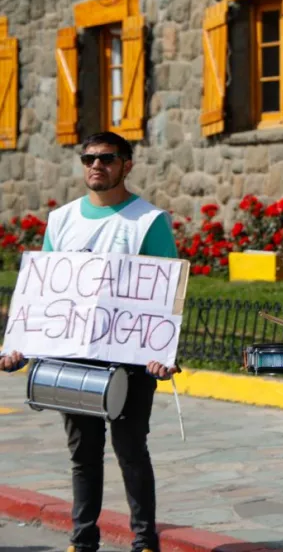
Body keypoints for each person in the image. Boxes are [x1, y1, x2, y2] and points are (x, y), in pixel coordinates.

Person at [0, 131, 180, 552]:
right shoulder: (61, 220)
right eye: (88, 158)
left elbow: (167, 293)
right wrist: (19, 347)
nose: (96, 165)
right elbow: (45, 294)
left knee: (131, 450)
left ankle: (144, 541)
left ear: (126, 165)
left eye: (107, 158)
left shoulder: (147, 221)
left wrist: (163, 353)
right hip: (73, 357)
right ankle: (83, 541)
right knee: (83, 454)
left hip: (130, 358)